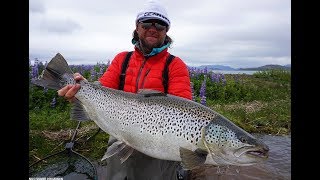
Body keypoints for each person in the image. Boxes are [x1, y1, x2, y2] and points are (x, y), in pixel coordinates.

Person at [58, 0, 192, 179]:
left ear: (166, 31)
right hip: (119, 134)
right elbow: (103, 89)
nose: (153, 28)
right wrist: (79, 91)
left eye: (160, 25)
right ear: (137, 27)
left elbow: (184, 111)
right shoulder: (122, 59)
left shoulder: (175, 65)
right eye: (146, 23)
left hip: (158, 145)